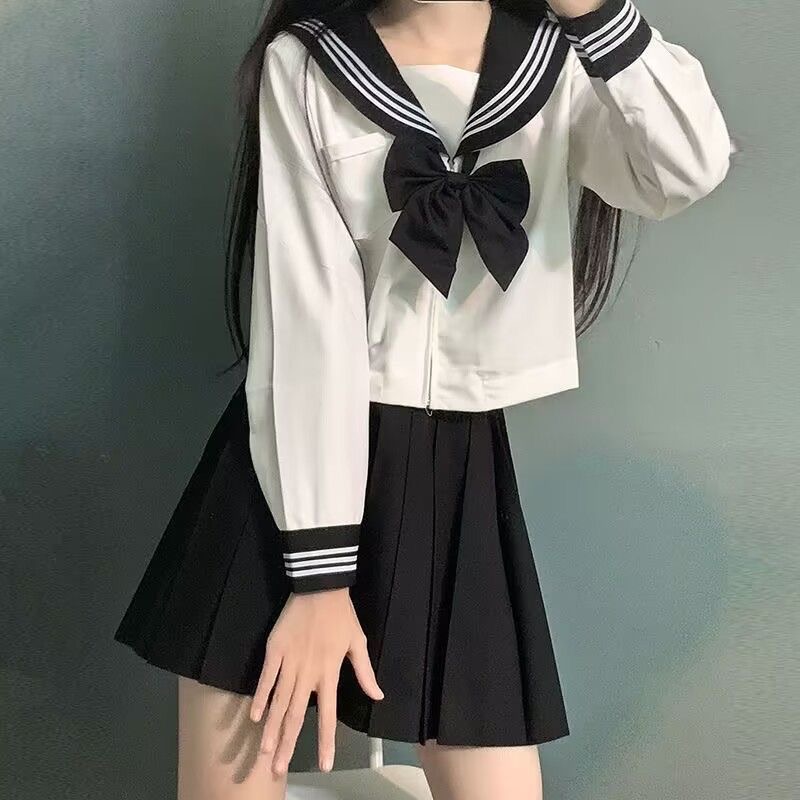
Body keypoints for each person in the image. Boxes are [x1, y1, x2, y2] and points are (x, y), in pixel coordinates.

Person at [114, 0, 733, 797]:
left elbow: (686, 167)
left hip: (459, 473)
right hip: (289, 477)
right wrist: (318, 577)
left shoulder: (561, 66)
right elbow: (305, 322)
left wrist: (595, 14)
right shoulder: (307, 65)